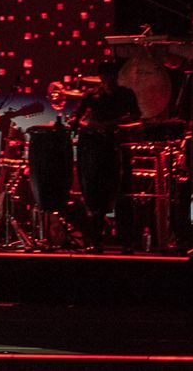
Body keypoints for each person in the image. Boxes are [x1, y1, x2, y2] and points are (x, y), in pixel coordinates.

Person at [74, 59, 141, 250]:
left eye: (110, 75)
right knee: (97, 194)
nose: (107, 79)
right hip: (97, 150)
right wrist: (92, 126)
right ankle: (97, 240)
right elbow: (77, 120)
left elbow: (136, 116)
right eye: (104, 76)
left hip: (119, 146)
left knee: (122, 192)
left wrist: (115, 124)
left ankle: (126, 240)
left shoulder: (125, 95)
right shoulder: (92, 95)